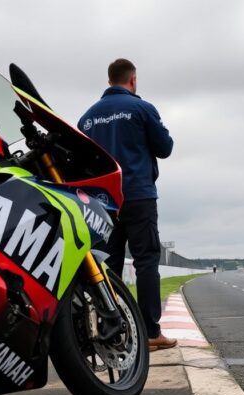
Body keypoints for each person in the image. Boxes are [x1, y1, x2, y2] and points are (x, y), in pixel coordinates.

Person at [78, 58, 176, 351]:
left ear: (110, 81)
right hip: (138, 195)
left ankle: (112, 332)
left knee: (107, 267)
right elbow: (165, 148)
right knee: (147, 261)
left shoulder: (87, 118)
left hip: (102, 203)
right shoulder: (142, 108)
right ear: (132, 80)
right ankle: (149, 332)